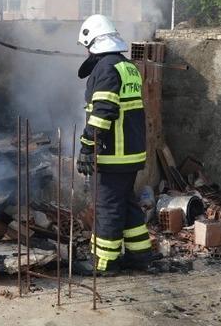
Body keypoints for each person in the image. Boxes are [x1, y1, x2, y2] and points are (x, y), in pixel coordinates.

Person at [73, 14, 152, 275]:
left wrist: (87, 146)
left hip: (113, 154)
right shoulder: (127, 66)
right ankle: (139, 256)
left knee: (107, 207)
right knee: (126, 203)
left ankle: (104, 263)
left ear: (93, 42)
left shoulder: (106, 69)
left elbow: (103, 111)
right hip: (130, 153)